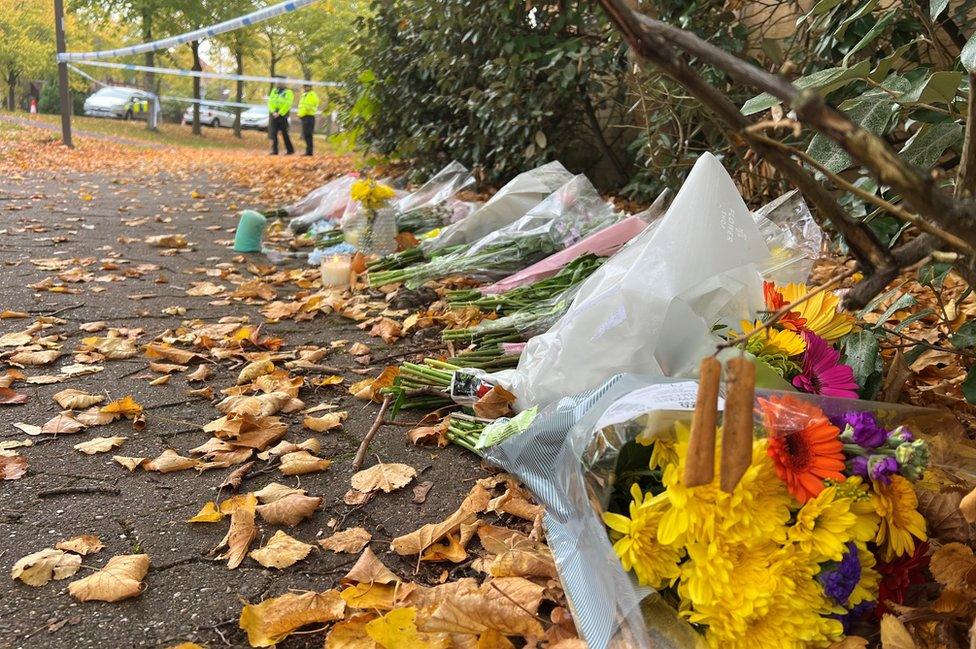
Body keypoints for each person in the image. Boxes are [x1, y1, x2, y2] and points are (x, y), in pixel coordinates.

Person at [267, 78, 294, 155]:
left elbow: (288, 104)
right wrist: (273, 112)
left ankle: (290, 150)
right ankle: (274, 150)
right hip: (274, 114)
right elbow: (270, 102)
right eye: (277, 82)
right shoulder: (274, 91)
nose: (278, 84)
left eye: (279, 83)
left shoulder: (288, 92)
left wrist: (280, 113)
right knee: (273, 132)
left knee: (284, 133)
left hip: (283, 115)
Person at [297, 84, 320, 156]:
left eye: (306, 87)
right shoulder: (305, 95)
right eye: (304, 87)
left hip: (308, 116)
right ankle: (308, 151)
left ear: (309, 87)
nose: (304, 88)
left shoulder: (311, 95)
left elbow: (307, 107)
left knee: (308, 135)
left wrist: (301, 114)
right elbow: (302, 106)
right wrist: (300, 114)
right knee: (306, 135)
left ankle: (309, 152)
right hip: (305, 116)